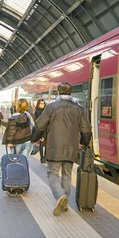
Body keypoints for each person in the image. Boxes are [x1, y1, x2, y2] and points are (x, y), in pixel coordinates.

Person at [32, 82, 91, 216]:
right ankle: (64, 204)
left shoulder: (51, 107)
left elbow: (39, 125)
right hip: (71, 147)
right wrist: (83, 142)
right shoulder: (79, 109)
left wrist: (34, 138)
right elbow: (86, 129)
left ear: (58, 93)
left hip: (54, 146)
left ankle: (60, 196)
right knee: (67, 175)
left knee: (52, 173)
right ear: (71, 93)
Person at [34, 99, 47, 163]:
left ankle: (45, 157)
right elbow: (40, 122)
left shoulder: (46, 110)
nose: (42, 105)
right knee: (41, 144)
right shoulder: (37, 111)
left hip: (47, 129)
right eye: (41, 104)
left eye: (43, 103)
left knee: (47, 144)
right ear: (38, 104)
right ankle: (42, 158)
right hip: (41, 129)